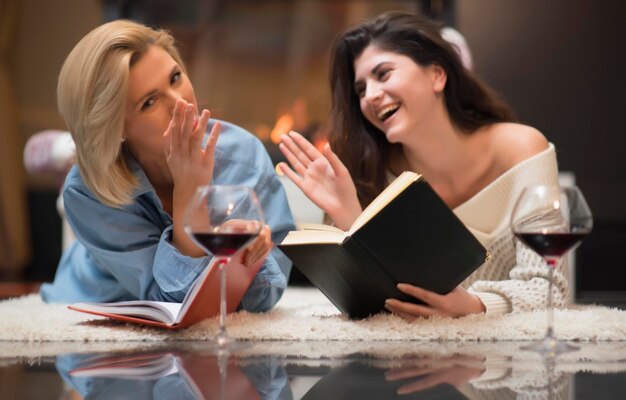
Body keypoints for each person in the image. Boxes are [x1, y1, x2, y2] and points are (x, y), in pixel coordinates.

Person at [278, 11, 566, 318]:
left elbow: (548, 289)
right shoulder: (372, 176)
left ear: (437, 76)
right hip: (410, 358)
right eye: (360, 90)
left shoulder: (522, 149)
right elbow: (378, 309)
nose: (371, 96)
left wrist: (473, 306)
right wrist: (352, 217)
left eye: (383, 74)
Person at [40, 20, 295, 312]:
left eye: (175, 78)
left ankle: (62, 148)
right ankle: (63, 151)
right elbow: (171, 305)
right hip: (99, 296)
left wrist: (247, 257)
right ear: (115, 129)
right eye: (149, 102)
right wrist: (191, 191)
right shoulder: (87, 191)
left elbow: (264, 297)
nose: (180, 104)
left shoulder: (243, 157)